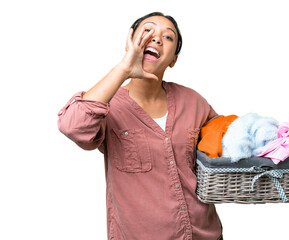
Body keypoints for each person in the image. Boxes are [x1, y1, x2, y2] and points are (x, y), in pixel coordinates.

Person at [58, 12, 223, 240]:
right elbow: (73, 126)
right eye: (148, 31)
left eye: (168, 37)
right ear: (129, 42)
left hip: (205, 234)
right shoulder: (107, 104)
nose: (156, 39)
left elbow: (227, 142)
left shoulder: (193, 101)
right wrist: (124, 69)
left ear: (173, 59)